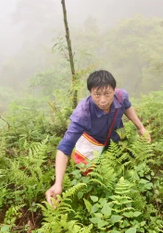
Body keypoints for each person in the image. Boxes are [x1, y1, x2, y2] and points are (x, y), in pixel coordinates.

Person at [45, 70, 150, 205]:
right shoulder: (82, 113)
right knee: (95, 170)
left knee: (124, 147)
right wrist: (58, 183)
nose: (103, 100)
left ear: (114, 89)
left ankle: (123, 159)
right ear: (90, 93)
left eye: (107, 93)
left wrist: (140, 127)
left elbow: (127, 107)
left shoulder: (121, 95)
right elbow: (65, 147)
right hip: (94, 140)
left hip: (118, 130)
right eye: (97, 95)